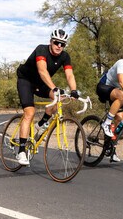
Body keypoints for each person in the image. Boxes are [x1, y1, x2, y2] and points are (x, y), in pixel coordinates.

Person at [15, 29, 80, 166]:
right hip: (26, 80)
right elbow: (42, 71)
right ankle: (21, 151)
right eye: (56, 42)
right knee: (30, 113)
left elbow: (69, 75)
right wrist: (53, 87)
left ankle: (41, 124)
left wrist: (74, 90)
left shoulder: (65, 56)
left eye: (62, 44)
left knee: (60, 98)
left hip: (41, 83)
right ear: (51, 42)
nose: (59, 46)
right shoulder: (41, 49)